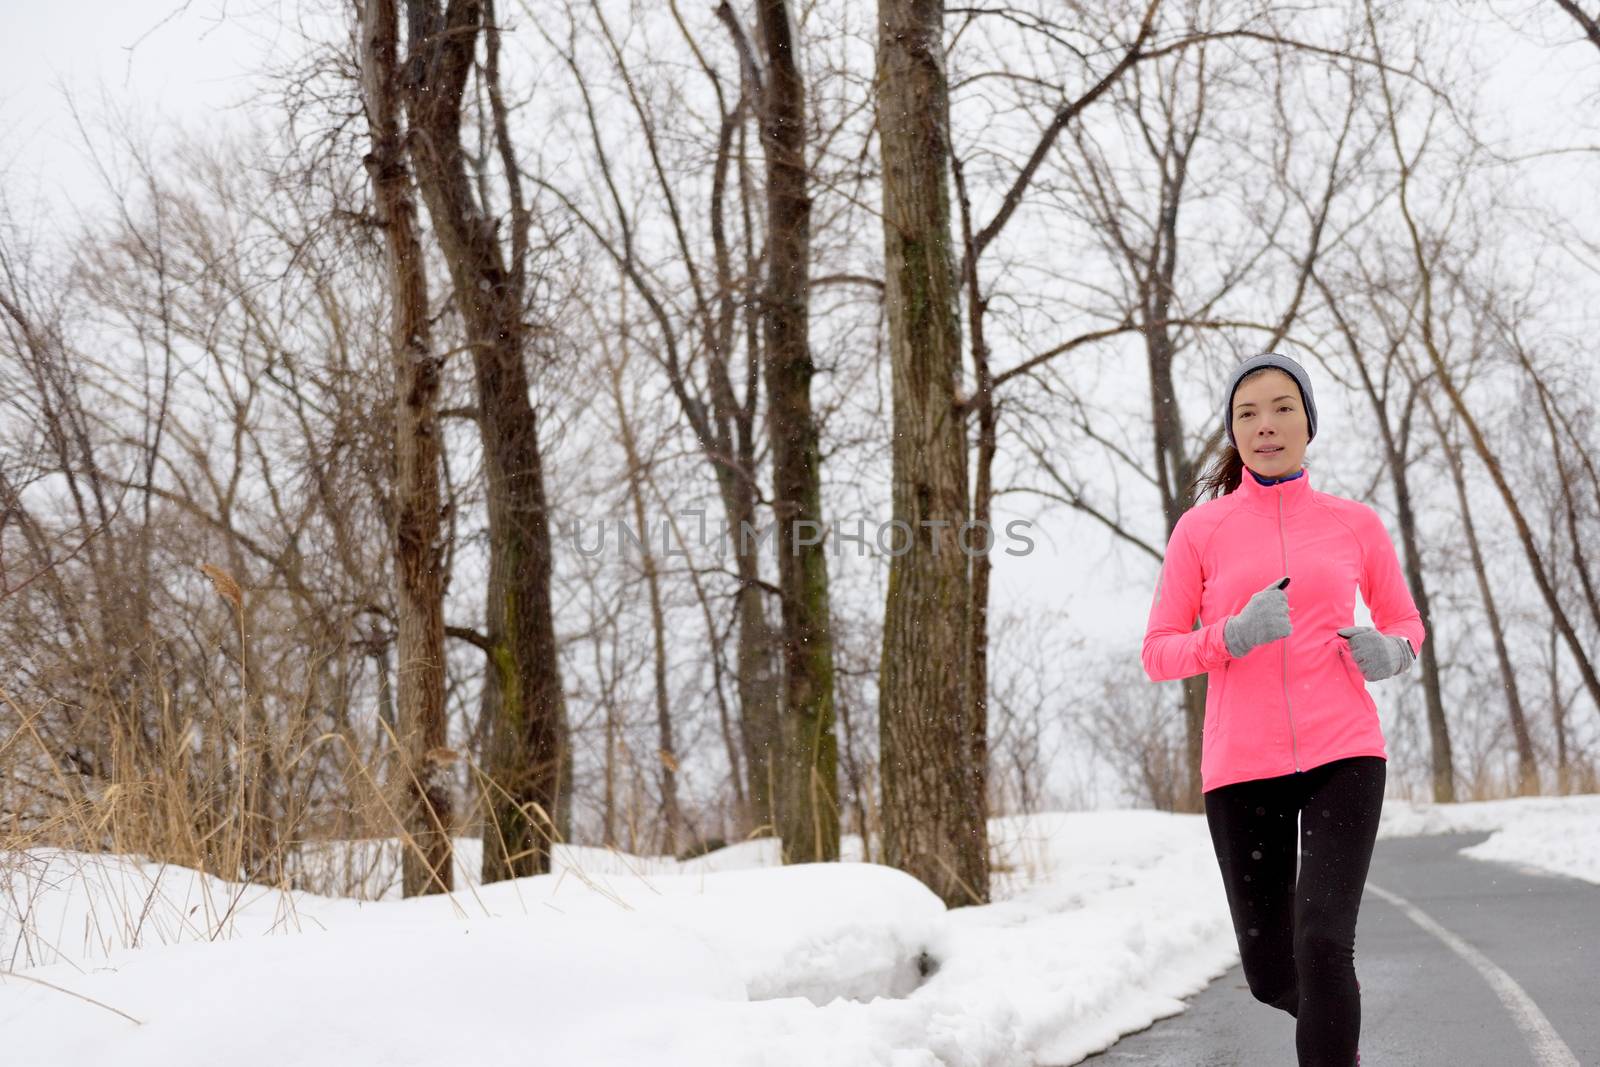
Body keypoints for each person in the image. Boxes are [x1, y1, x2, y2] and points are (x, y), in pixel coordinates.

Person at [1140, 352, 1426, 1067]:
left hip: (1345, 751)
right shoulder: (1199, 531)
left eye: (1282, 407)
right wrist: (1230, 635)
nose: (1266, 424)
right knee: (1273, 972)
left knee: (1324, 941)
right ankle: (1337, 1040)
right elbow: (1158, 651)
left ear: (1308, 422)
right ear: (1234, 434)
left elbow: (1406, 621)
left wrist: (1392, 653)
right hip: (1243, 764)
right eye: (1248, 413)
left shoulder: (1353, 523)